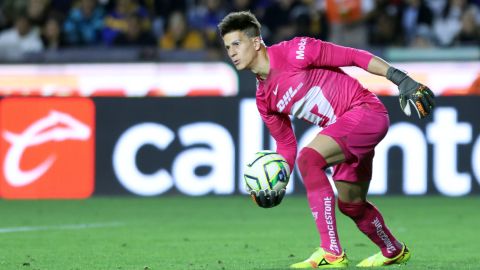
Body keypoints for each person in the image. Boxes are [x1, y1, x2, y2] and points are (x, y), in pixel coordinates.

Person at [217, 11, 435, 268]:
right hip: (344, 130)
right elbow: (286, 146)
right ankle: (393, 249)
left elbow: (353, 56)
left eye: (236, 44)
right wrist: (276, 181)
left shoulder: (296, 50)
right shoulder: (264, 99)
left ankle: (331, 252)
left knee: (310, 159)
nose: (231, 52)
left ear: (255, 42)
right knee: (351, 205)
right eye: (227, 47)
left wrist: (399, 78)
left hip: (365, 112)